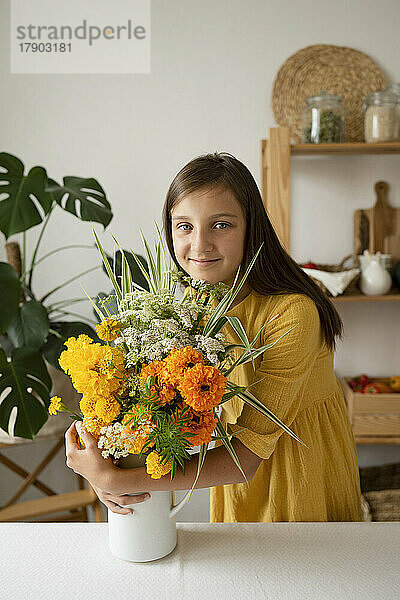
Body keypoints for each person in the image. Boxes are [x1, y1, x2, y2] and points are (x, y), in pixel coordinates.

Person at [65, 152, 362, 522]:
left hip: (298, 476)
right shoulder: (197, 301)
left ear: (251, 228)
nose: (200, 244)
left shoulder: (292, 313)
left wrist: (117, 479)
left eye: (221, 225)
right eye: (184, 226)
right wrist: (99, 447)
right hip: (235, 475)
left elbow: (247, 459)